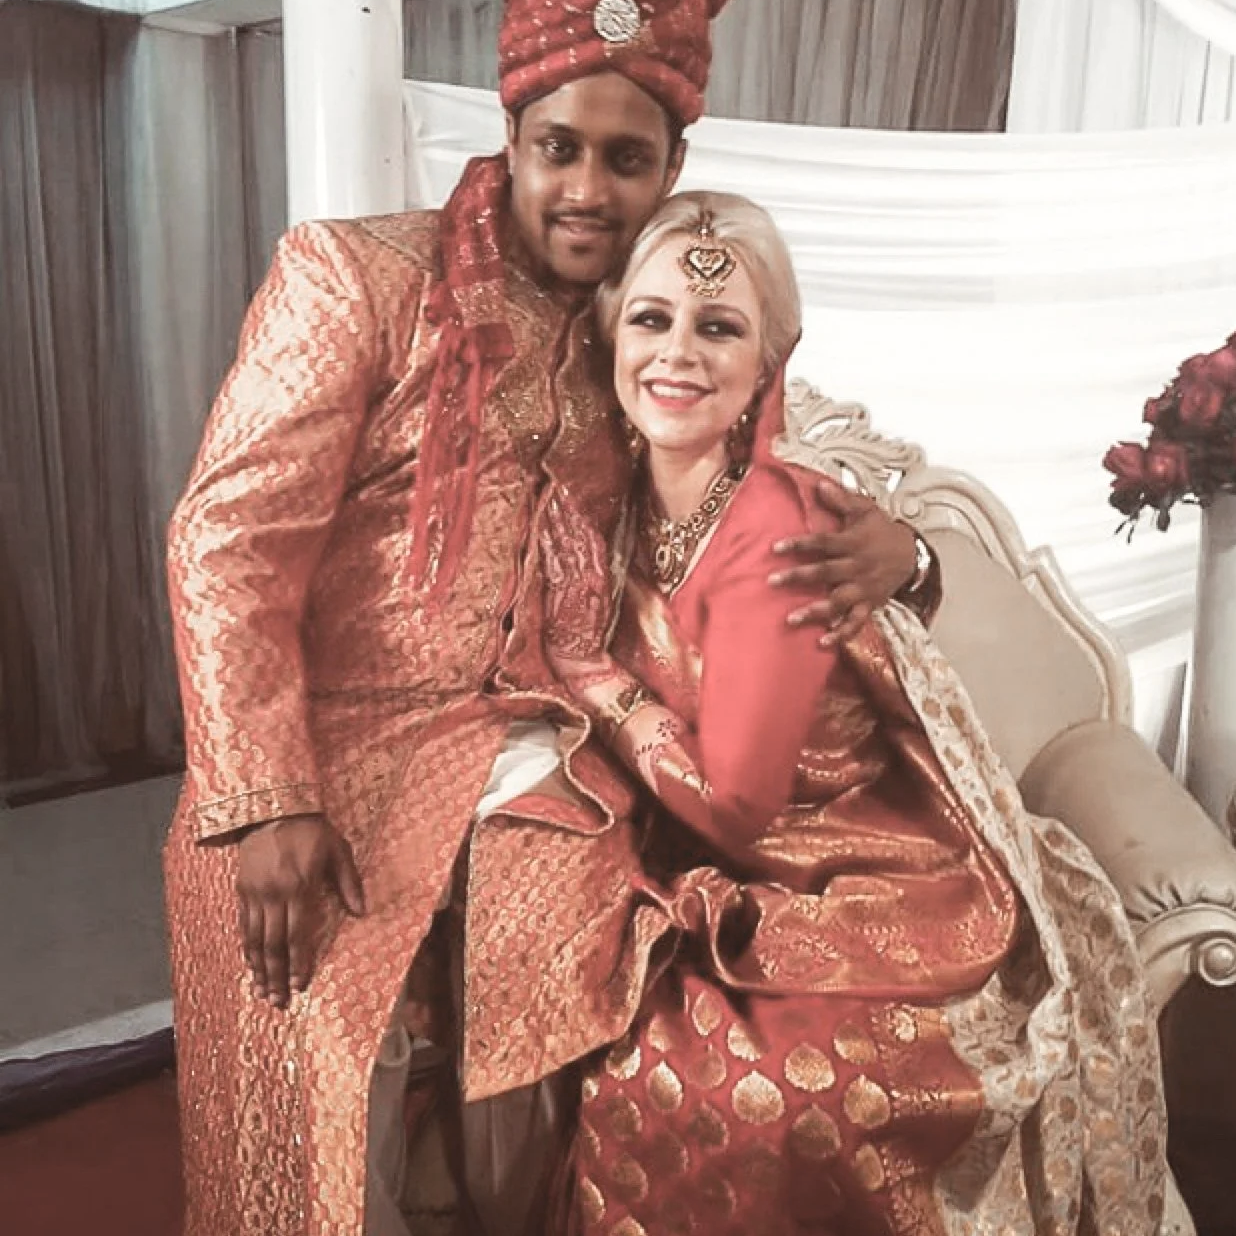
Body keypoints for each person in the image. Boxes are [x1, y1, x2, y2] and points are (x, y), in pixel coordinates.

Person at [162, 4, 937, 1235]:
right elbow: (228, 539)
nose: (587, 188)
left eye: (626, 160)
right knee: (324, 1039)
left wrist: (911, 549)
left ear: (670, 170)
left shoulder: (642, 328)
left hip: (543, 740)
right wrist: (263, 797)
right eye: (559, 147)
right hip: (330, 749)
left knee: (555, 937)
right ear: (510, 137)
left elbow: (765, 497)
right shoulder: (359, 277)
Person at [526, 190, 1169, 1233]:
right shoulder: (613, 496)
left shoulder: (779, 536)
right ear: (609, 330)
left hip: (860, 875)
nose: (676, 353)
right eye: (651, 319)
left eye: (718, 326)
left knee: (752, 1095)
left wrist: (598, 681)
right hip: (726, 867)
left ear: (770, 360)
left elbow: (733, 806)